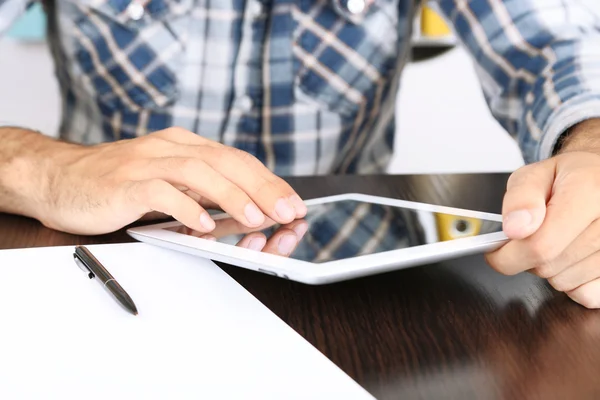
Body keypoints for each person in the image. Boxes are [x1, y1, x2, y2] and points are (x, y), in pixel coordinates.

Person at [0, 0, 600, 308]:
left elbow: (551, 46)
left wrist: (592, 147)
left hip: (357, 299)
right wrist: (37, 167)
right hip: (106, 267)